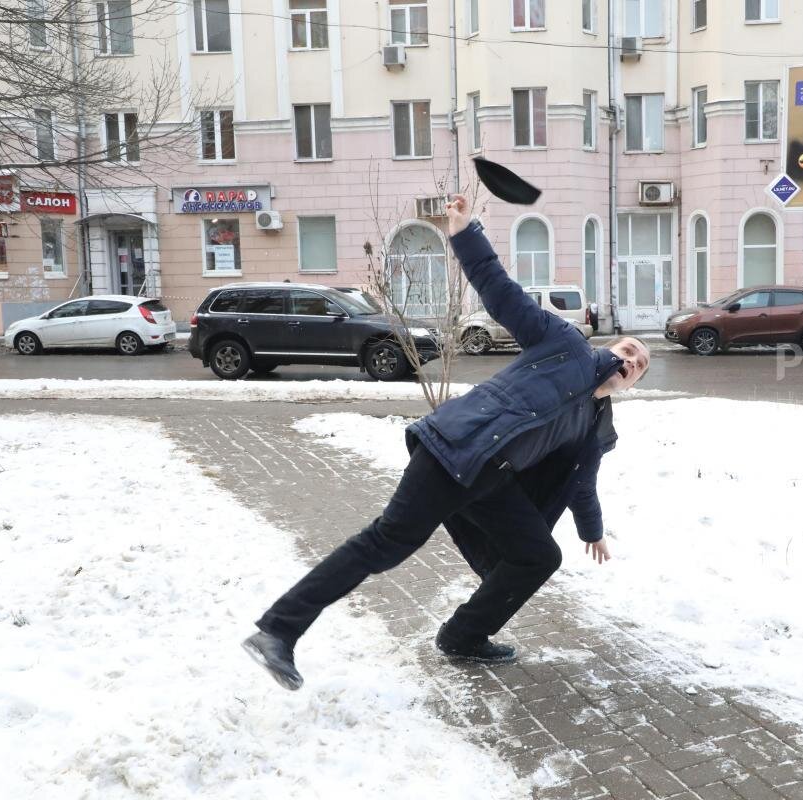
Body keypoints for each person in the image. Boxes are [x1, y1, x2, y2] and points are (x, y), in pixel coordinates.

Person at [243, 193, 651, 690]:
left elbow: (581, 481)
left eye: (639, 367)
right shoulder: (564, 346)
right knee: (385, 544)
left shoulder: (595, 425)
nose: (631, 361)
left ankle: (463, 636)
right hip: (455, 451)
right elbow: (502, 294)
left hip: (493, 482)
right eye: (628, 350)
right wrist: (463, 232)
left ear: (631, 385)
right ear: (611, 348)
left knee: (538, 556)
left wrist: (593, 530)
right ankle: (277, 631)